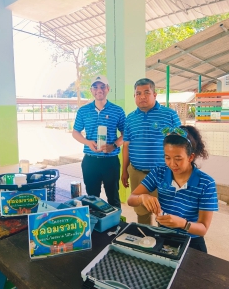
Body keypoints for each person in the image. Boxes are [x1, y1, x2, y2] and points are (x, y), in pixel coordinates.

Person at [127, 125, 218, 253]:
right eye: (167, 157)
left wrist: (183, 224)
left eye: (178, 159)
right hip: (163, 236)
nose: (172, 164)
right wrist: (142, 197)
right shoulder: (159, 173)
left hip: (191, 241)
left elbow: (203, 228)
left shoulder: (206, 183)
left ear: (190, 157)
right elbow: (131, 200)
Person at [121, 78, 181, 224]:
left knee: (164, 213)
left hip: (163, 174)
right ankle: (145, 242)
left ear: (155, 94)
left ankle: (163, 243)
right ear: (134, 96)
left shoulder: (170, 115)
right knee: (142, 212)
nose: (142, 96)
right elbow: (126, 145)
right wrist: (124, 171)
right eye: (138, 93)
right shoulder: (130, 118)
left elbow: (181, 143)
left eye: (146, 92)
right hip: (136, 172)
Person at [72, 75, 126, 208]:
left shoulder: (117, 110)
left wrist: (114, 145)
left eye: (102, 87)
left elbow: (126, 134)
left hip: (110, 161)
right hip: (90, 161)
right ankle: (96, 226)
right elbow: (75, 132)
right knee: (92, 198)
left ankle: (116, 226)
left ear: (108, 89)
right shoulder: (83, 110)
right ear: (91, 90)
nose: (99, 90)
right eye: (95, 87)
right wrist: (87, 142)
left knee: (113, 197)